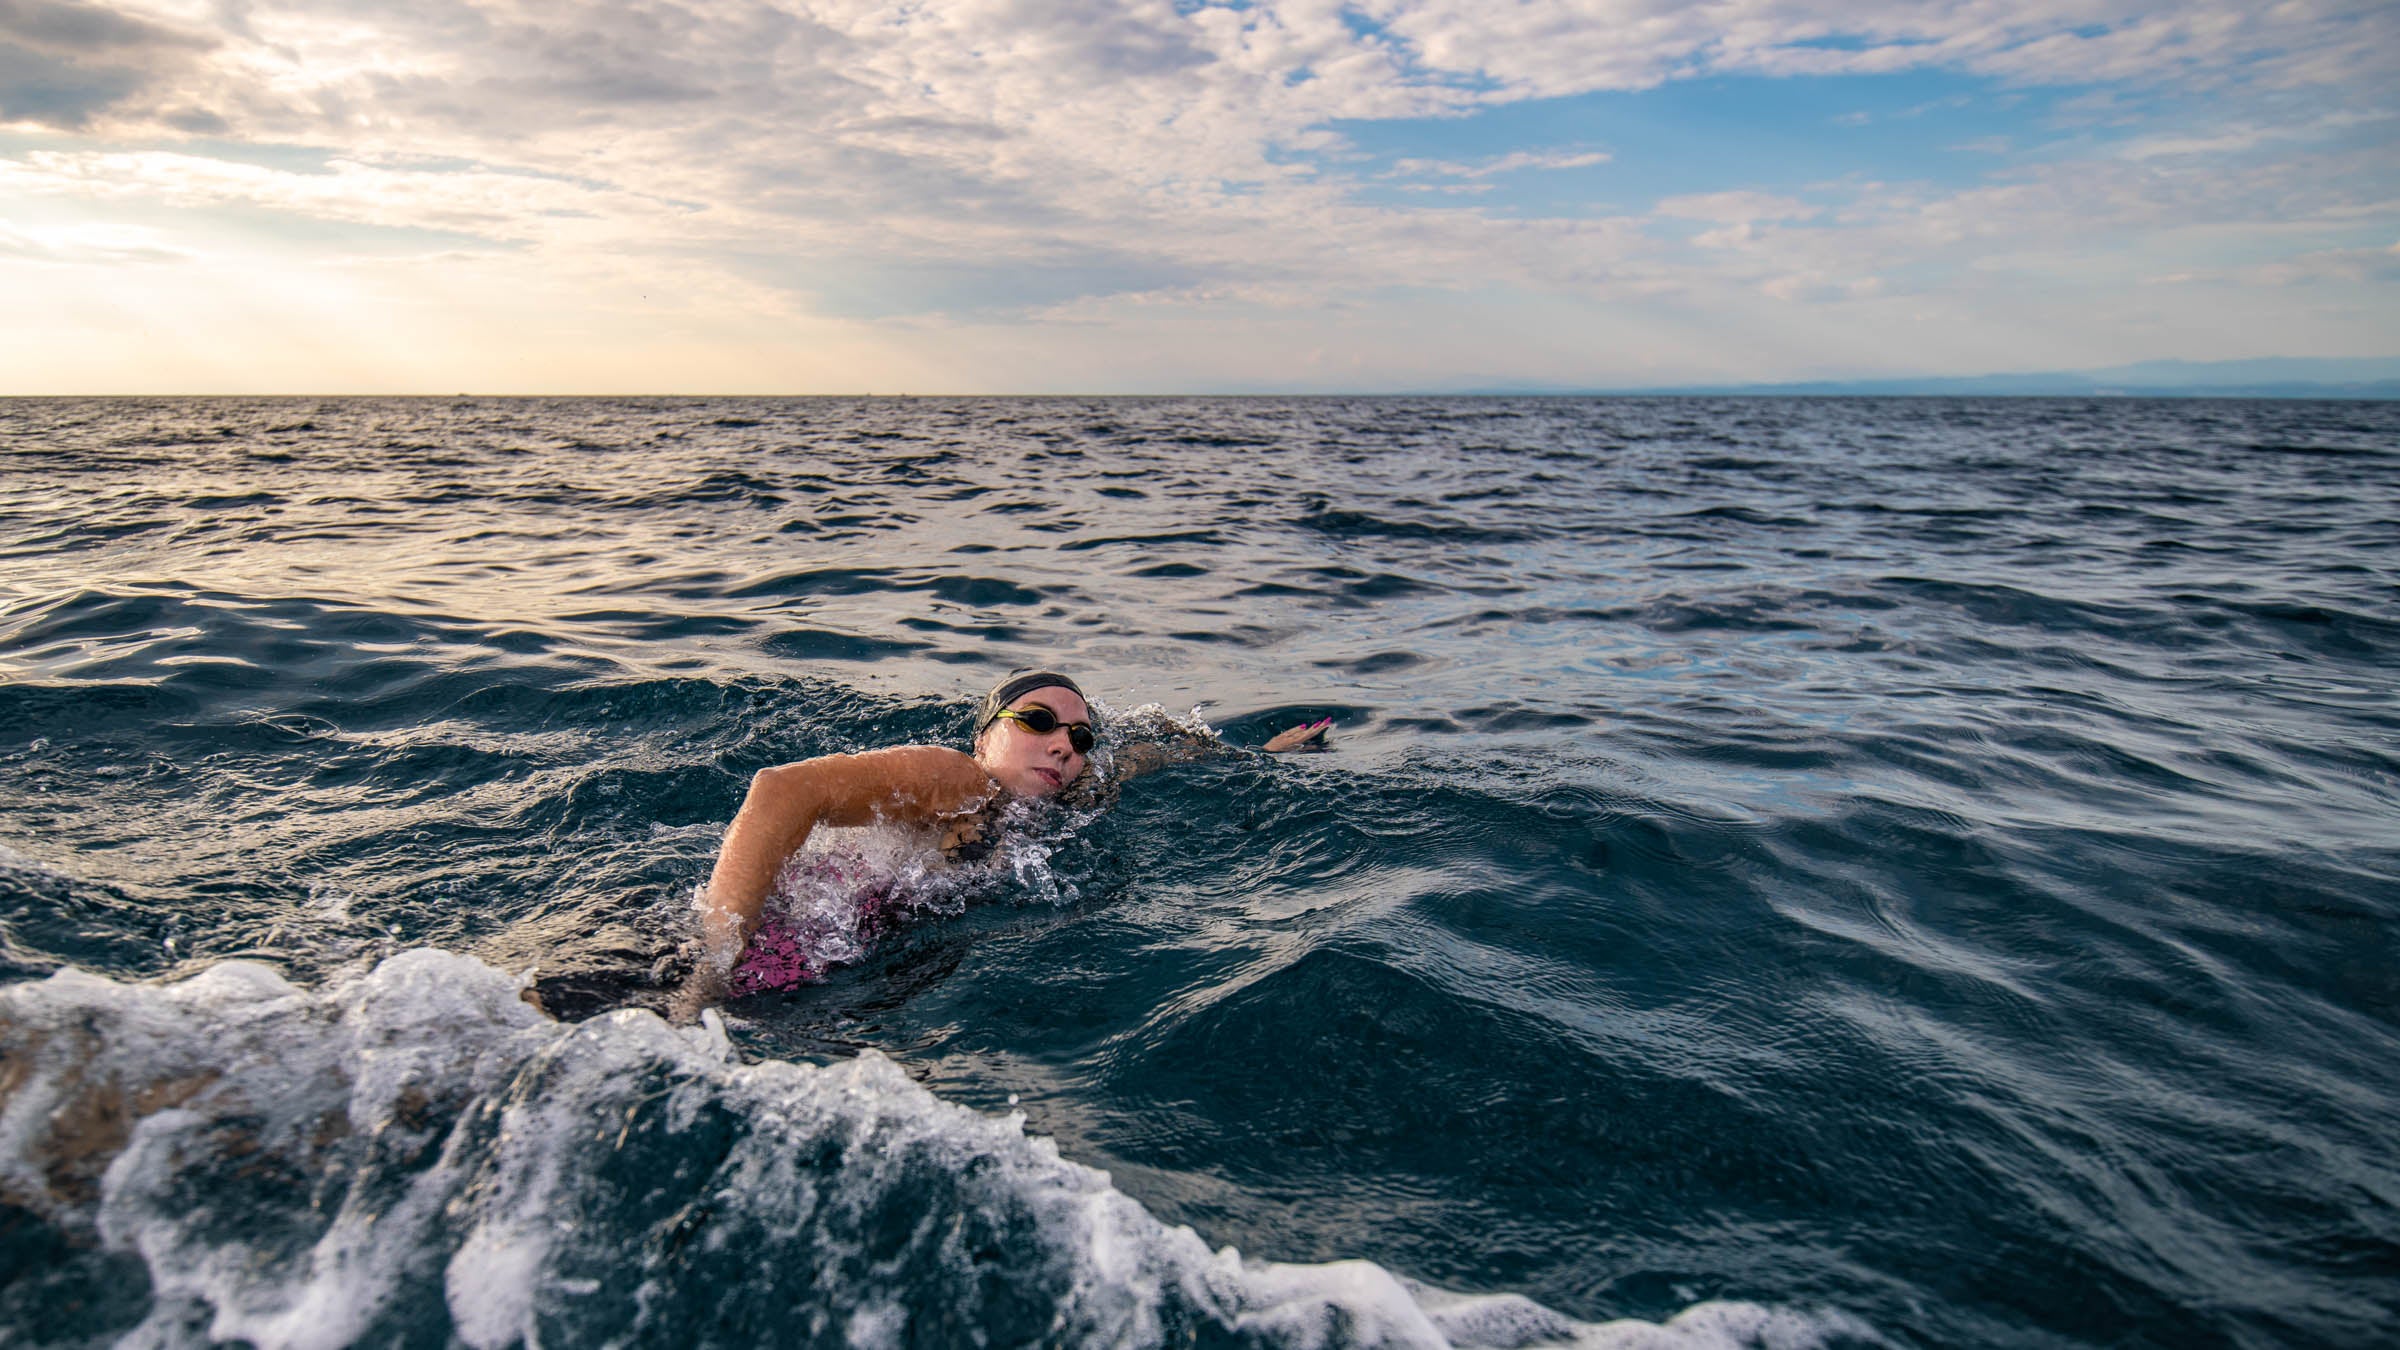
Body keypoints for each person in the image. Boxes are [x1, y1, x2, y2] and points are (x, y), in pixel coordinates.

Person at [670, 670, 1330, 1018]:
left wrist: (1262, 756)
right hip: (761, 950)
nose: (1063, 745)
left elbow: (1156, 754)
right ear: (985, 736)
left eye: (1080, 738)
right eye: (1039, 721)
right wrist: (715, 960)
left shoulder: (1068, 798)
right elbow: (779, 790)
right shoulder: (955, 777)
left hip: (847, 970)